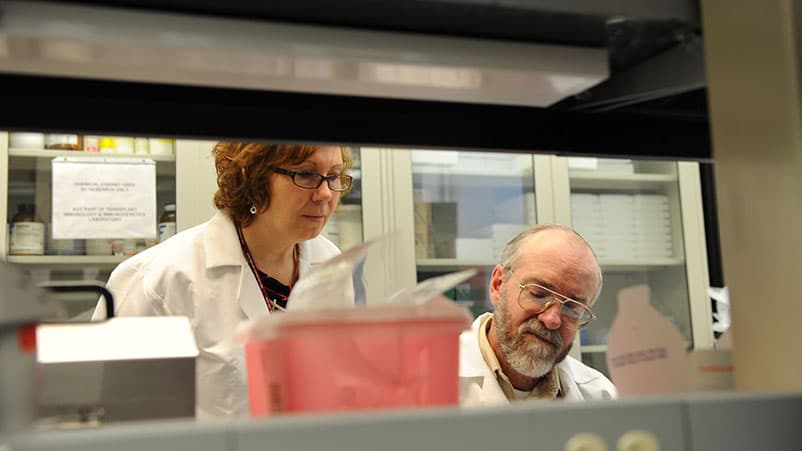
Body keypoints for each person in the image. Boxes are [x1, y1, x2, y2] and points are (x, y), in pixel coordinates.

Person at [92, 142, 354, 418]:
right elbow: (118, 421)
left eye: (334, 176)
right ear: (253, 178)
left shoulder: (331, 266)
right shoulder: (159, 280)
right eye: (306, 175)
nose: (325, 193)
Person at [460, 224, 617, 405]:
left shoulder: (601, 398)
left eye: (572, 308)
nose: (552, 320)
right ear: (498, 285)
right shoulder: (426, 387)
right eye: (538, 294)